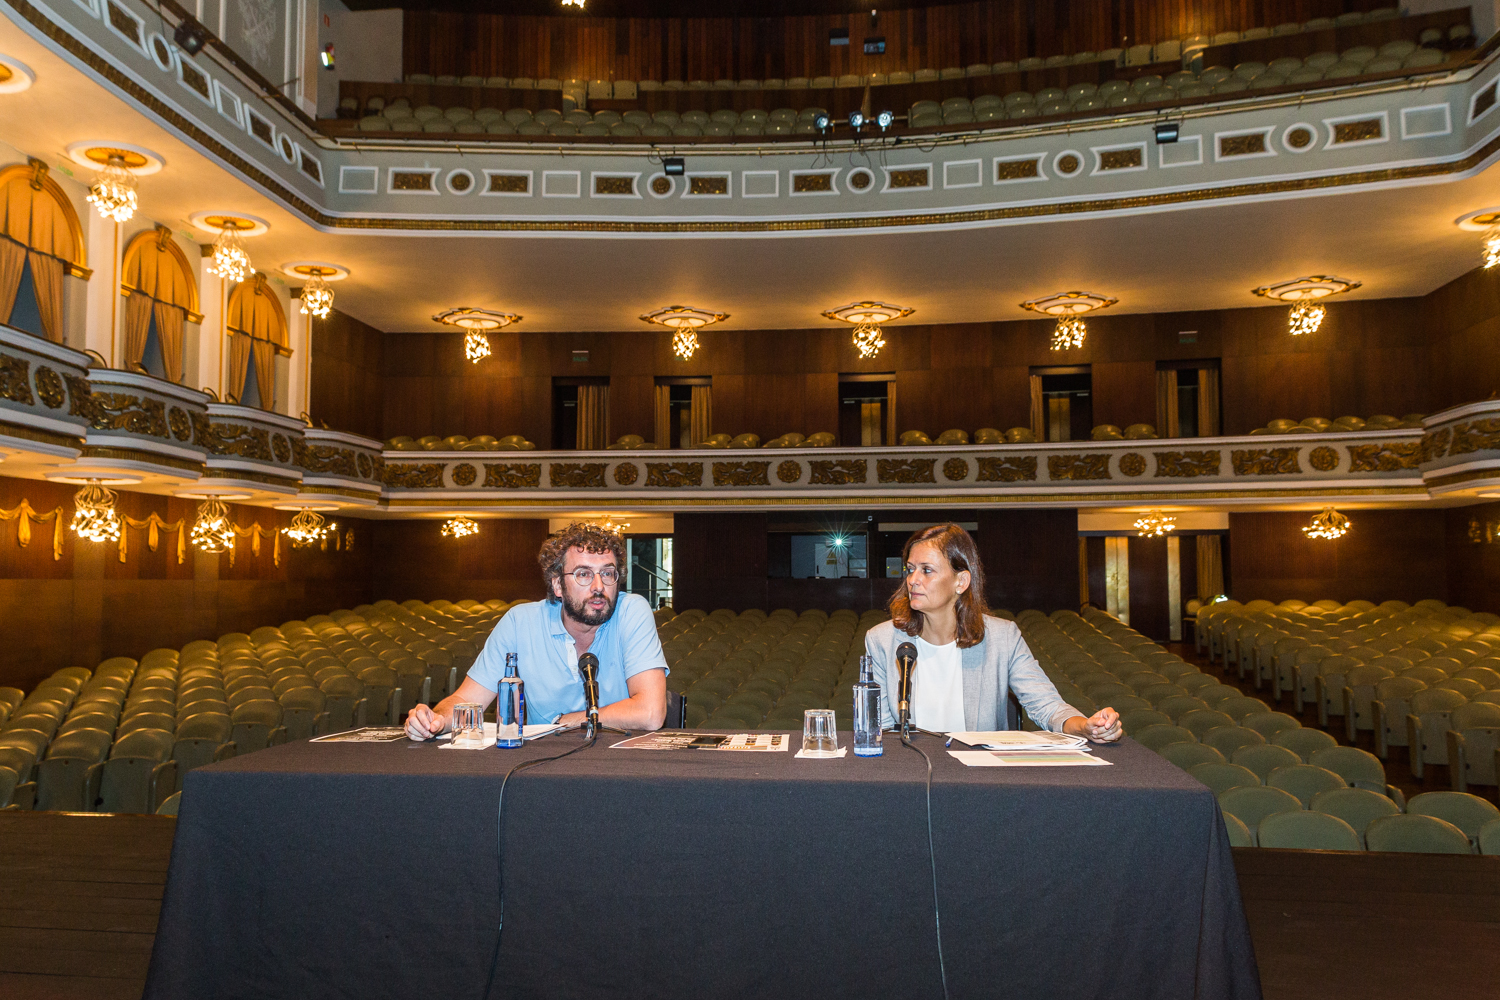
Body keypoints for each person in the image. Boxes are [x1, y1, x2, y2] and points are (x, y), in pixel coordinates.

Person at [405, 522, 668, 739]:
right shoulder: (520, 621)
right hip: (542, 766)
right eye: (583, 574)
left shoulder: (631, 610)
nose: (599, 586)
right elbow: (465, 699)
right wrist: (435, 719)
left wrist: (569, 721)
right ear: (557, 585)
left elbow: (651, 713)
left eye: (608, 573)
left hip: (619, 763)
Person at [865, 523, 1122, 741]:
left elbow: (1046, 706)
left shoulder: (1003, 638)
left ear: (961, 581)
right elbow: (884, 731)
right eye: (910, 569)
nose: (912, 580)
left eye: (926, 570)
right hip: (912, 773)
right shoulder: (882, 640)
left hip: (981, 777)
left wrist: (1087, 727)